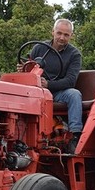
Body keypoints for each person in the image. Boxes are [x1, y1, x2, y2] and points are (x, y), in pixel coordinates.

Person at [22, 18, 83, 153]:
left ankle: (75, 135)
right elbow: (30, 68)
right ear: (53, 32)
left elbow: (70, 81)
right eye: (59, 33)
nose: (62, 37)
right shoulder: (39, 48)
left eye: (66, 35)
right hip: (35, 91)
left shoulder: (74, 55)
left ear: (71, 36)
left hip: (58, 93)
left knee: (74, 94)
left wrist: (49, 84)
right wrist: (24, 69)